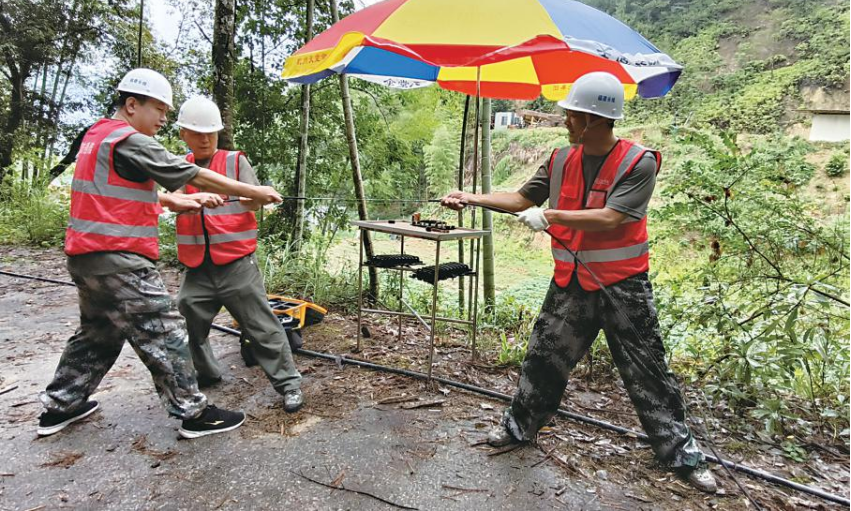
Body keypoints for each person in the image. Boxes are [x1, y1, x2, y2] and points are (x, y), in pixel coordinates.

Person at [440, 72, 717, 493]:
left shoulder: (638, 162)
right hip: (570, 283)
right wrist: (470, 196)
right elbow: (520, 200)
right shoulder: (558, 160)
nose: (565, 120)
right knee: (542, 359)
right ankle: (519, 427)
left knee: (649, 372)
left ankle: (682, 455)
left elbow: (613, 217)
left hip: (623, 287)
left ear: (594, 119)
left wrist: (551, 217)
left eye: (571, 114)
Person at [38, 68, 283, 439]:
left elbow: (123, 194)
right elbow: (189, 172)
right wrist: (256, 191)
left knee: (98, 333)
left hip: (86, 257)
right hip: (122, 259)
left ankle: (62, 405)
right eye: (159, 109)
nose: (164, 119)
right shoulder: (129, 139)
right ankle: (193, 412)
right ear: (132, 104)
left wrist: (177, 201)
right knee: (165, 330)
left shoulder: (97, 136)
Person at [171, 96, 304, 413]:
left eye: (211, 133)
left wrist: (251, 196)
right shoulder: (176, 165)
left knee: (261, 325)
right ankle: (206, 374)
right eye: (197, 133)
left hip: (236, 264)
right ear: (183, 134)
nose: (205, 139)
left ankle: (289, 385)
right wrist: (193, 198)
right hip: (197, 266)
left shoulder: (234, 162)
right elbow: (169, 198)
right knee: (188, 315)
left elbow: (254, 201)